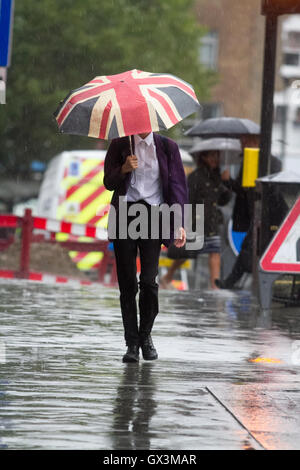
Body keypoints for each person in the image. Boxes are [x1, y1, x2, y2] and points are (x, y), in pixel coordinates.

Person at [104, 132, 188, 363]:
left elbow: (178, 186)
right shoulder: (120, 144)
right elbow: (108, 183)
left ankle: (146, 336)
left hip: (154, 215)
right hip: (124, 214)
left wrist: (179, 223)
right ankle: (131, 343)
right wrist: (123, 169)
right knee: (127, 283)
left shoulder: (168, 147)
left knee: (149, 281)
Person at [215, 135, 283, 289]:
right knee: (252, 246)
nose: (241, 145)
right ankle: (235, 280)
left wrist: (227, 180)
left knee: (252, 247)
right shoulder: (270, 161)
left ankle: (236, 280)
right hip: (262, 214)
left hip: (263, 214)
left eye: (244, 141)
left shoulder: (253, 159)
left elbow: (245, 189)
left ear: (255, 141)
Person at [160, 149, 231, 290]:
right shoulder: (195, 177)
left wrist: (226, 183)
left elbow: (224, 201)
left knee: (214, 251)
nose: (214, 159)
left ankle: (214, 286)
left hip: (212, 222)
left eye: (216, 156)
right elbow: (186, 200)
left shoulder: (218, 177)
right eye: (211, 155)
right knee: (187, 253)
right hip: (196, 221)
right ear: (203, 157)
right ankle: (167, 277)